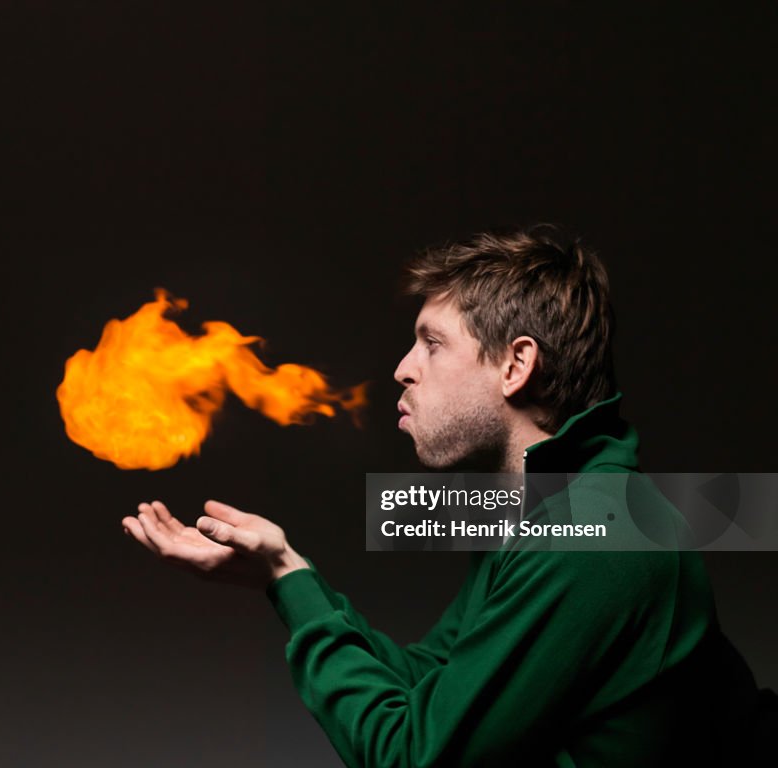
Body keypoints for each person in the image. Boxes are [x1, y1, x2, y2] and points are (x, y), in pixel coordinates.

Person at [121, 225, 766, 766]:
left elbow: (410, 755)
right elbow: (431, 686)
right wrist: (285, 574)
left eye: (432, 343)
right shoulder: (545, 510)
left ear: (516, 365)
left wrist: (288, 578)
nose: (403, 367)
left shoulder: (596, 530)